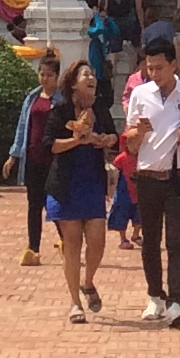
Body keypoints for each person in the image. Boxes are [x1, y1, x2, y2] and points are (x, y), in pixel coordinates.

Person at [122, 21, 180, 327]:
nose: (154, 74)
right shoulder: (140, 94)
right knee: (150, 241)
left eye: (159, 68)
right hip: (147, 175)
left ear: (174, 64)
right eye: (149, 68)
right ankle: (154, 297)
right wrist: (138, 133)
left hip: (177, 177)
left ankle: (175, 301)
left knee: (175, 240)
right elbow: (130, 143)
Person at [44, 61, 113, 321]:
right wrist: (76, 140)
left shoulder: (100, 108)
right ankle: (75, 303)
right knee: (72, 244)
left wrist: (105, 140)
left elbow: (114, 135)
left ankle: (88, 281)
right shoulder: (60, 110)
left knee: (97, 240)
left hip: (92, 181)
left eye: (92, 74)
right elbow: (50, 144)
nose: (92, 78)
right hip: (65, 184)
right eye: (86, 75)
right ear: (74, 83)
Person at [10, 48, 66, 267]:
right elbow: (22, 126)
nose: (44, 79)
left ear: (57, 76)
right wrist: (14, 155)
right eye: (41, 74)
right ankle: (33, 248)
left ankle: (66, 242)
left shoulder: (62, 101)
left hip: (54, 161)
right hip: (33, 159)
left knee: (54, 204)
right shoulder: (32, 98)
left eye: (49, 75)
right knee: (34, 205)